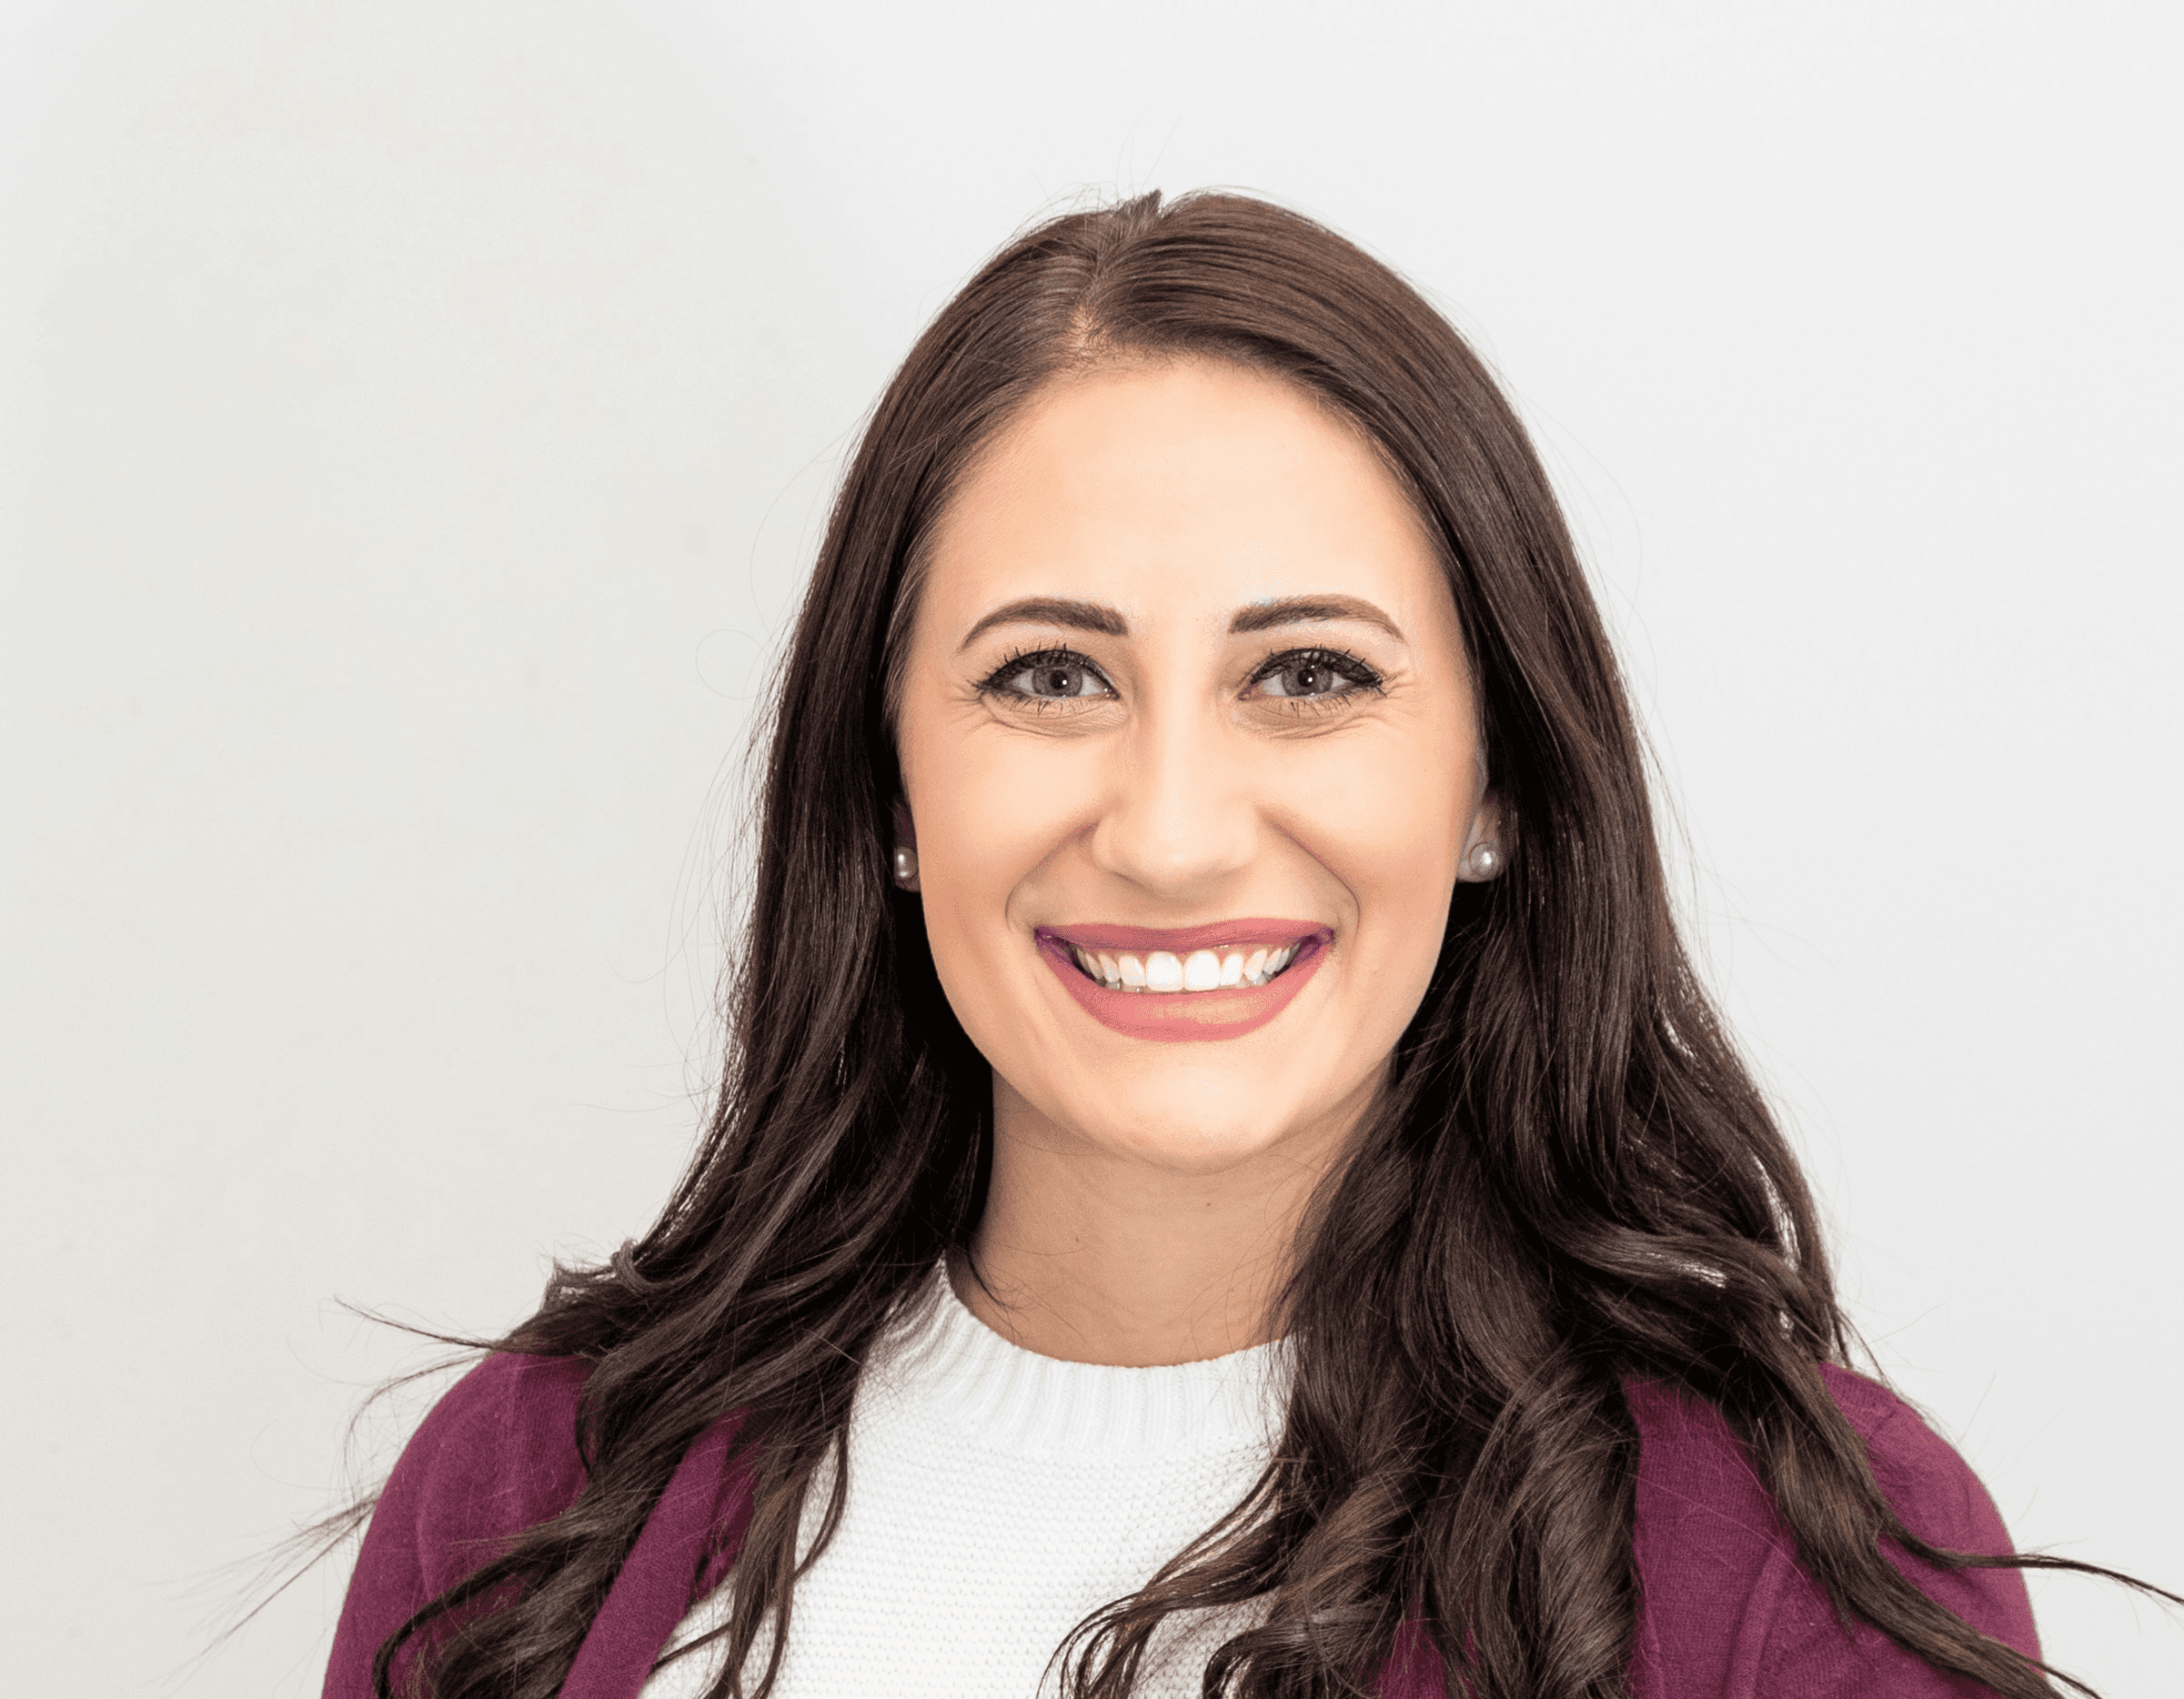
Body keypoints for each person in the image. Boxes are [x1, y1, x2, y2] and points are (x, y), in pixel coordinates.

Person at [323, 190, 2076, 1699]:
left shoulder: (1796, 1568)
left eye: (1310, 675)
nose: (1170, 834)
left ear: (1496, 785)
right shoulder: (531, 1493)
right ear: (890, 789)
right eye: (1048, 676)